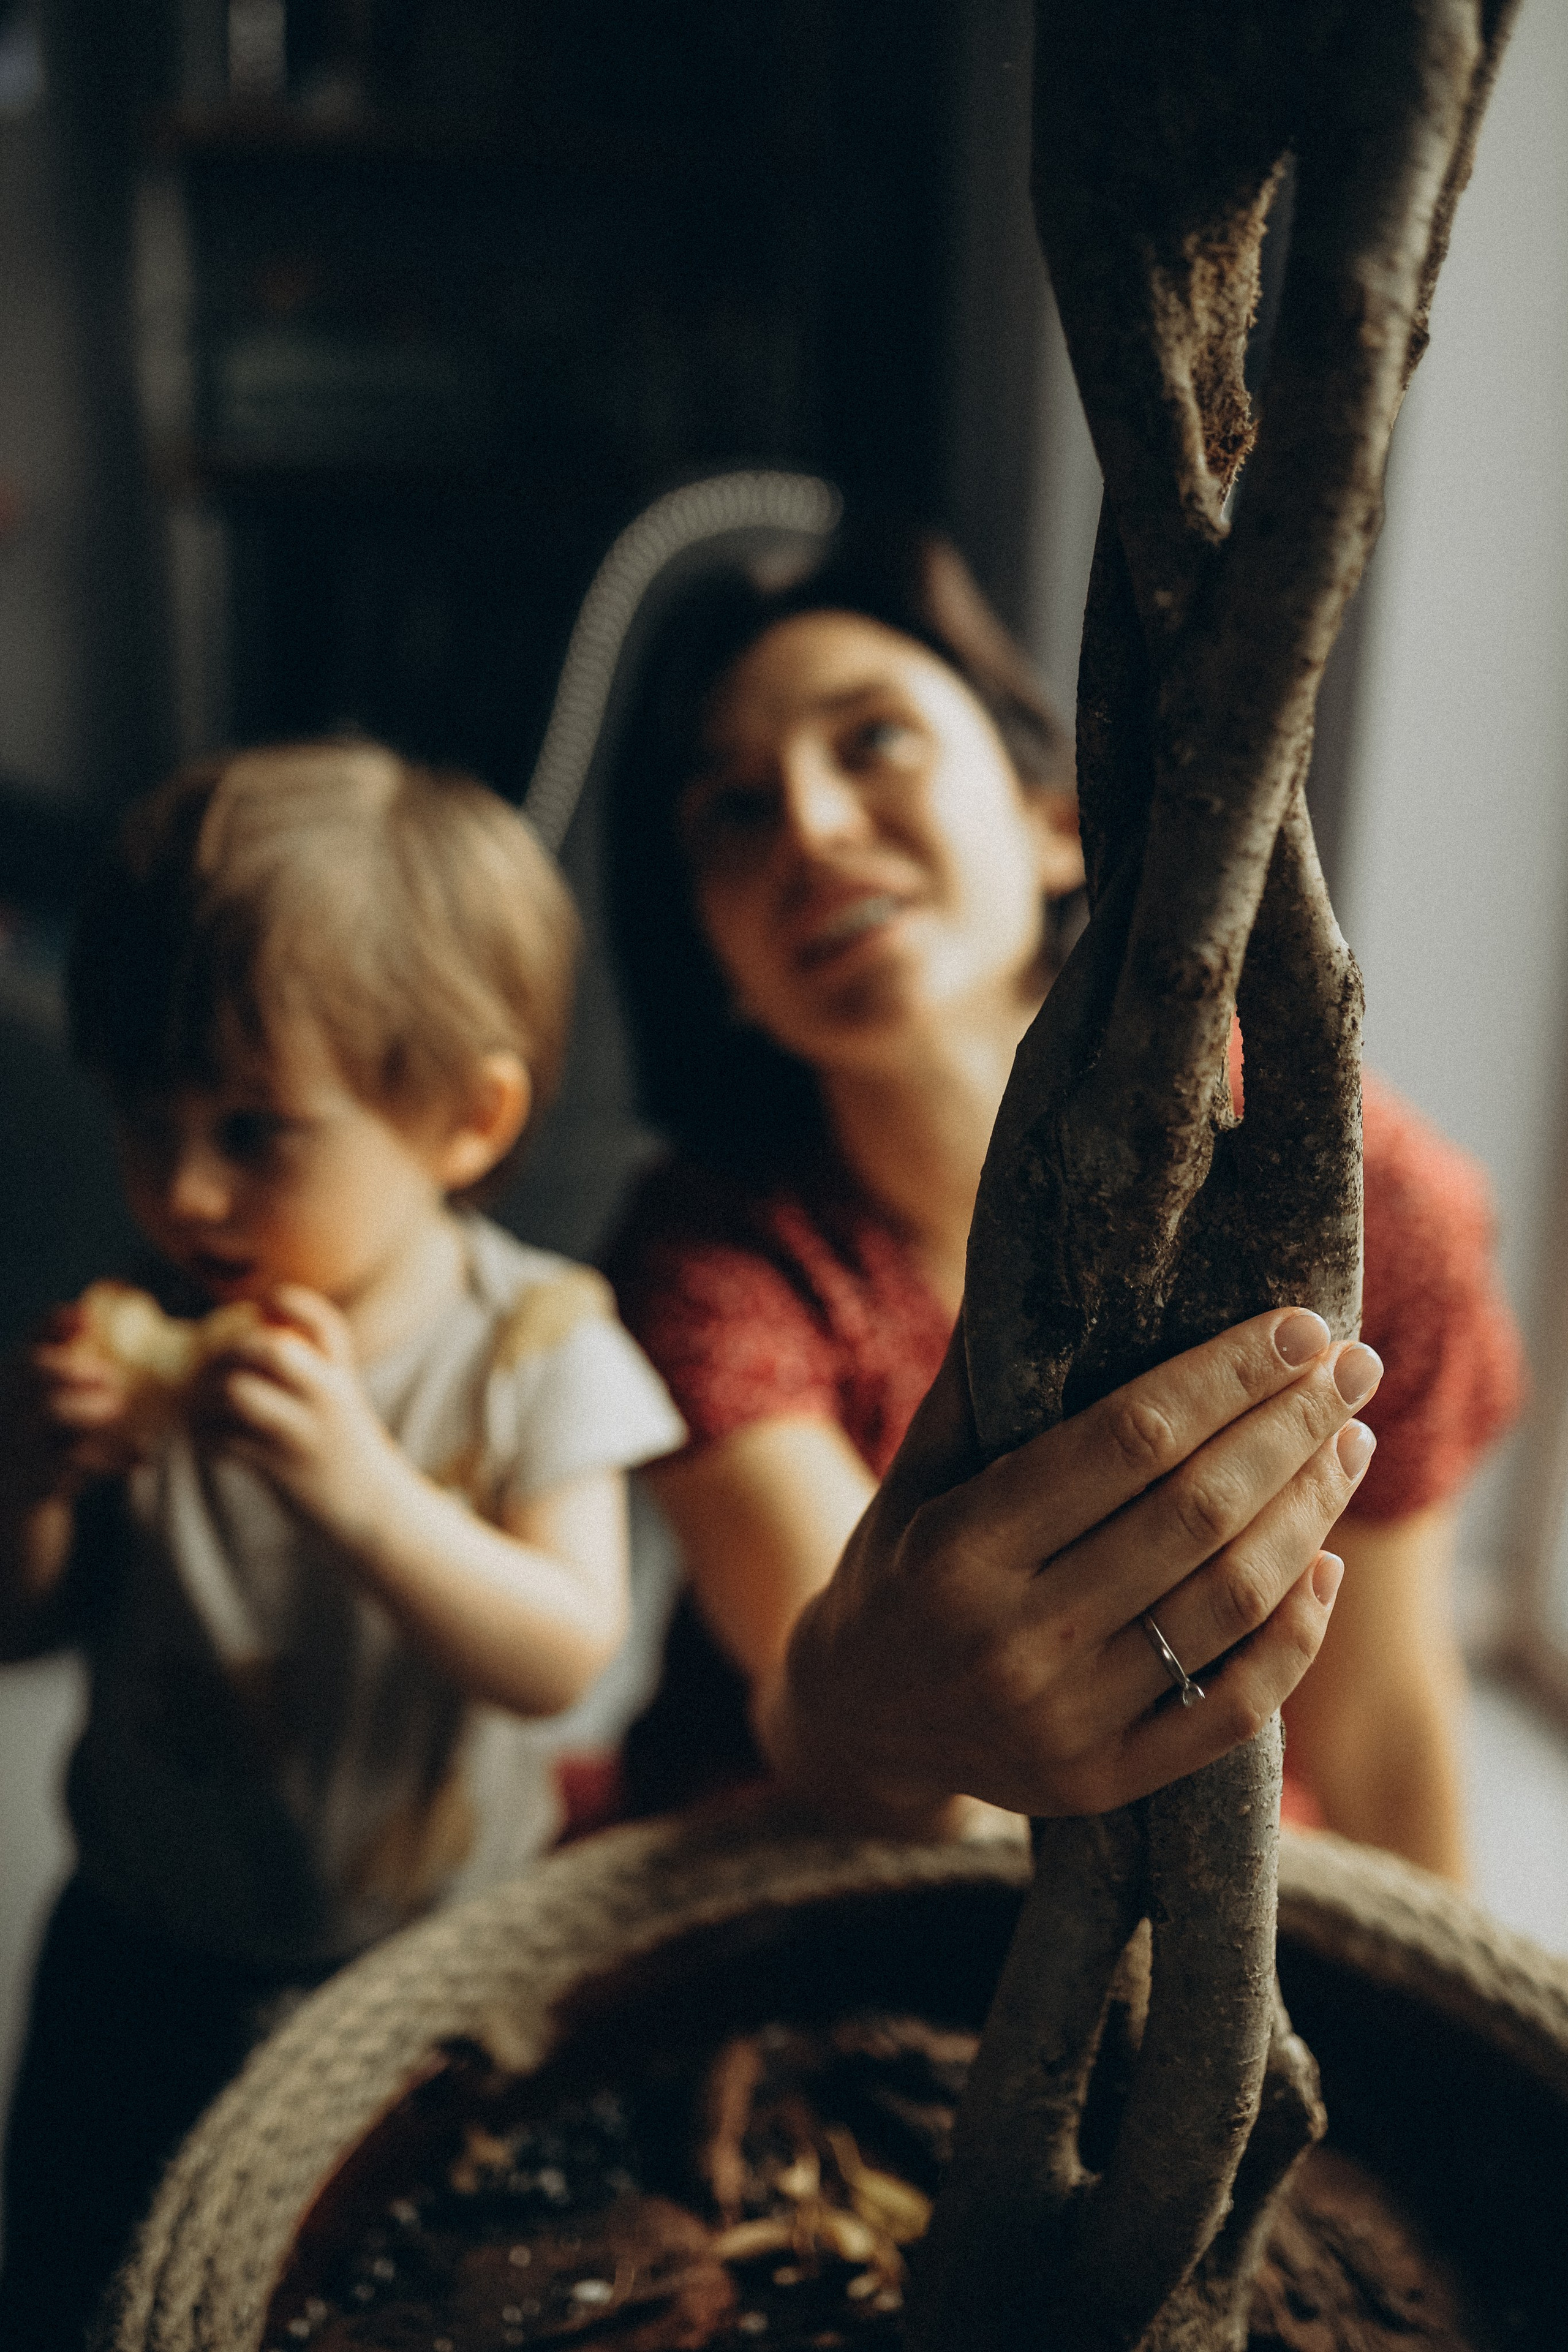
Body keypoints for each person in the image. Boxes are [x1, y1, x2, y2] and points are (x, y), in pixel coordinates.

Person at [598, 519, 1524, 1871]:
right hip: (822, 1888)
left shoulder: (1363, 1203)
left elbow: (1377, 1717)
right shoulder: (709, 1266)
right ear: (716, 965)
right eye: (734, 809)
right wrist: (869, 1718)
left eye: (871, 740)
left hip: (1224, 1877)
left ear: (1051, 822)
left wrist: (1440, 2052)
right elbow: (858, 1728)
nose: (809, 826)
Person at [0, 741, 684, 2346]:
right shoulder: (164, 1321)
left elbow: (562, 1654)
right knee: (84, 2282)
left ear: (464, 1120)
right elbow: (28, 1633)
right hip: (137, 1936)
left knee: (385, 2296)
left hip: (422, 1968)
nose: (180, 1191)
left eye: (253, 1131)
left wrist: (363, 1490)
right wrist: (35, 1483)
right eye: (145, 1121)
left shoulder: (537, 1350)